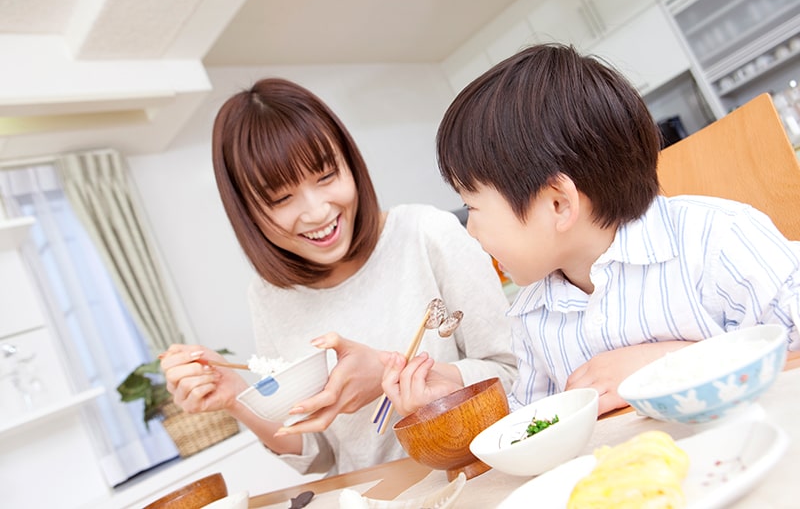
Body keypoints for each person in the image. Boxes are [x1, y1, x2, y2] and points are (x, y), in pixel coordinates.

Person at [381, 43, 800, 418]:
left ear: (558, 203)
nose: (471, 231)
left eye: (473, 207)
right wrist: (451, 403)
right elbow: (537, 423)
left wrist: (673, 364)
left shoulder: (717, 239)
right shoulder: (533, 314)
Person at [158, 77, 516, 476]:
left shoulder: (427, 233)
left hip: (481, 478)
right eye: (281, 198)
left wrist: (386, 373)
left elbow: (516, 373)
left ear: (350, 162)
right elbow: (318, 453)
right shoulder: (268, 297)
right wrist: (236, 397)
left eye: (326, 176)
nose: (317, 212)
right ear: (248, 213)